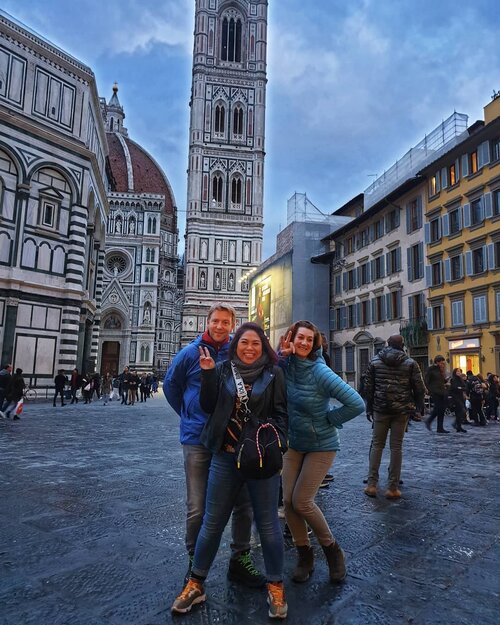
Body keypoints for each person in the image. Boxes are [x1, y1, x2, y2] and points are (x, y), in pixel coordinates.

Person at [171, 322, 288, 618]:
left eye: (255, 344)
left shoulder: (273, 373)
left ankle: (276, 586)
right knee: (212, 523)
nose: (249, 348)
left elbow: (282, 414)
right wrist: (208, 373)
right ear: (236, 346)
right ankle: (195, 582)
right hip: (224, 458)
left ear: (263, 347)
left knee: (268, 526)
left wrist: (275, 442)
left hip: (260, 460)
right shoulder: (223, 369)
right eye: (244, 343)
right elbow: (208, 405)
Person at [164, 303, 265, 589]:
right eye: (216, 321)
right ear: (206, 323)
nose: (220, 326)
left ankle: (240, 560)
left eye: (225, 322)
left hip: (232, 438)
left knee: (243, 502)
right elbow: (172, 387)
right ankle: (195, 563)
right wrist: (189, 415)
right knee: (197, 506)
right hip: (197, 439)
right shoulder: (189, 353)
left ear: (233, 324)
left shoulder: (237, 353)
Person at [278, 320, 365, 585]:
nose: (303, 343)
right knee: (289, 502)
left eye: (309, 339)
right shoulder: (287, 365)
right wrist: (281, 357)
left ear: (315, 344)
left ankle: (332, 550)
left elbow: (356, 403)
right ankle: (305, 555)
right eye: (299, 338)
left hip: (321, 445)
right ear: (290, 339)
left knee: (302, 501)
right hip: (294, 443)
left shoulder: (320, 372)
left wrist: (330, 419)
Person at [362, 335, 426, 499]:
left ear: (387, 344)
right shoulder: (411, 363)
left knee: (377, 445)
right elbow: (419, 388)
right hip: (401, 410)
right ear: (402, 345)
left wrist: (369, 408)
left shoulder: (375, 361)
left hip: (380, 409)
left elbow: (368, 388)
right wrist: (419, 408)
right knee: (396, 447)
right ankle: (392, 487)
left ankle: (371, 485)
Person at [425, 355, 449, 433]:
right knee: (438, 408)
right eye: (441, 362)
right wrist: (428, 390)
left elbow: (442, 381)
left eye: (443, 362)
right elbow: (427, 380)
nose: (442, 364)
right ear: (437, 362)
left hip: (442, 391)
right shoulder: (431, 369)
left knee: (442, 409)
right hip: (435, 391)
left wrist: (446, 379)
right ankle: (429, 420)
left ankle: (440, 427)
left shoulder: (441, 370)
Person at [449, 368, 467, 433]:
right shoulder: (453, 379)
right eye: (457, 371)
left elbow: (465, 387)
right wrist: (460, 388)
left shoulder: (461, 379)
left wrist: (460, 388)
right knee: (462, 411)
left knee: (459, 412)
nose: (459, 372)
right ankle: (457, 425)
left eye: (460, 371)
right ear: (455, 372)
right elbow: (454, 388)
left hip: (461, 397)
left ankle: (458, 427)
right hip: (455, 398)